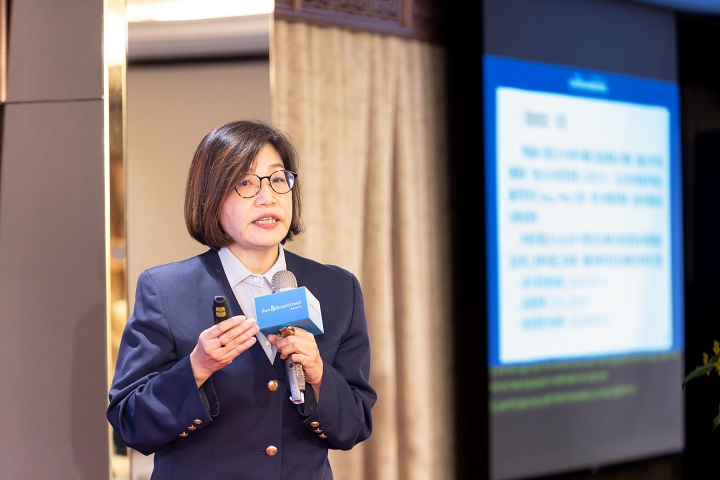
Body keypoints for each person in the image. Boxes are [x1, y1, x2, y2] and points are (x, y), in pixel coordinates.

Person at [107, 120, 376, 479]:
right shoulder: (166, 290)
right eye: (246, 183)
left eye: (278, 179)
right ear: (211, 197)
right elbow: (129, 422)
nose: (268, 197)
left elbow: (355, 424)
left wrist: (319, 375)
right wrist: (196, 368)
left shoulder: (337, 288)